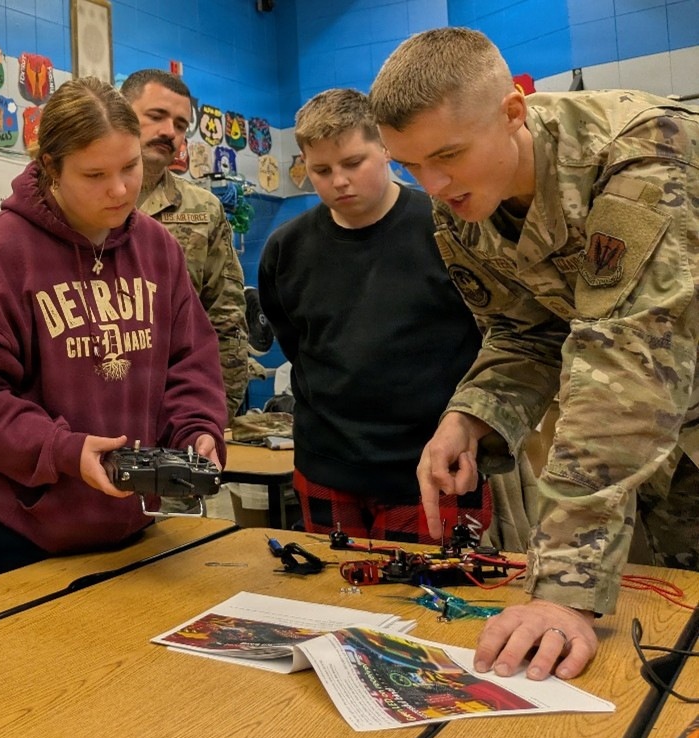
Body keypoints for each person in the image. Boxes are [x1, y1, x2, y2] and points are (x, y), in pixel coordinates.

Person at [369, 27, 699, 681]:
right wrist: (472, 416)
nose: (430, 186)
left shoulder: (645, 151)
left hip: (651, 401)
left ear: (512, 112)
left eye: (446, 156)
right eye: (407, 166)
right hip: (665, 458)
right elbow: (526, 332)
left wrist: (564, 589)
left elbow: (624, 363)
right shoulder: (464, 198)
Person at [0, 77, 227, 587]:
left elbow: (190, 360)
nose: (121, 189)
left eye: (130, 167)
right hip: (7, 519)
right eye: (94, 174)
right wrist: (61, 449)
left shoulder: (157, 247)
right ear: (51, 171)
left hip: (123, 514)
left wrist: (196, 430)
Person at [258, 88, 498, 546]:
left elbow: (496, 338)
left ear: (386, 149)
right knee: (332, 604)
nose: (339, 181)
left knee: (427, 607)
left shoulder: (451, 228)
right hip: (326, 463)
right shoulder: (286, 248)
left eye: (353, 163)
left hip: (430, 463)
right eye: (321, 170)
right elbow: (296, 342)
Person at [121, 69, 248, 423]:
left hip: (174, 408)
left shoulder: (202, 209)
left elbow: (226, 318)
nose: (169, 132)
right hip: (89, 408)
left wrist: (214, 415)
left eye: (180, 124)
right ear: (121, 112)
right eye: (157, 116)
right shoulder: (82, 198)